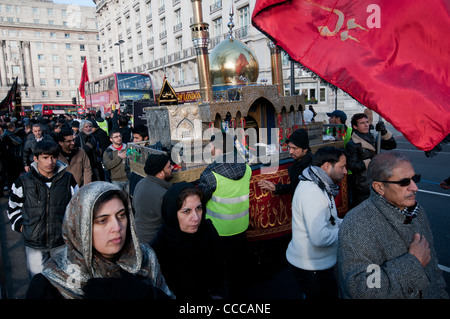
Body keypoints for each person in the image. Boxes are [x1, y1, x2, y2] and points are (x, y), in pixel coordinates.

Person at [25, 181, 174, 299]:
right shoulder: (52, 283)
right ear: (80, 227)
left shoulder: (144, 257)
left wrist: (145, 294)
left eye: (121, 215)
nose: (116, 227)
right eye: (102, 220)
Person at [337, 152, 448, 299]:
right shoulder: (357, 224)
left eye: (415, 179)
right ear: (379, 187)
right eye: (404, 182)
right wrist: (413, 264)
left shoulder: (417, 211)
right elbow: (360, 288)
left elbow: (433, 265)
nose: (415, 188)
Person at [7, 140, 78, 277]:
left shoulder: (68, 179)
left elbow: (77, 207)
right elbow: (12, 206)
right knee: (38, 282)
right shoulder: (24, 181)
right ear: (36, 158)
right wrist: (22, 227)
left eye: (53, 157)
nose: (50, 162)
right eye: (45, 157)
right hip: (34, 244)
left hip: (61, 242)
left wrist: (70, 229)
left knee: (62, 281)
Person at [286, 146, 347, 299]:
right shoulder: (312, 192)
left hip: (319, 263)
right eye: (342, 167)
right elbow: (320, 237)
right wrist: (348, 231)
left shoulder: (322, 184)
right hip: (311, 267)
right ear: (326, 166)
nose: (346, 172)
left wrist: (348, 222)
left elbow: (330, 220)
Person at [198, 132, 251, 298]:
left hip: (218, 231)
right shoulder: (247, 168)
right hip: (241, 226)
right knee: (238, 270)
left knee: (219, 271)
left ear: (217, 149)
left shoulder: (210, 175)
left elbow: (200, 200)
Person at [151, 182, 225, 299]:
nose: (196, 218)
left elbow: (221, 272)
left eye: (199, 208)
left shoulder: (208, 231)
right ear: (172, 213)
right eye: (186, 211)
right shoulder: (159, 248)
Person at [345, 113, 397, 207]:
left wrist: (384, 132)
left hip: (376, 181)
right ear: (355, 126)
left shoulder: (372, 138)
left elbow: (392, 145)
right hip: (362, 185)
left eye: (367, 122)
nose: (366, 125)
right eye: (362, 123)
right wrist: (372, 161)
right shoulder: (352, 144)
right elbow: (352, 165)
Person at [134, 153, 173, 246]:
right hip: (154, 243)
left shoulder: (141, 183)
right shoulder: (162, 194)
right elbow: (170, 223)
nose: (172, 168)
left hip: (139, 239)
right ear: (160, 173)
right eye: (169, 167)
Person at [258, 128, 312, 195]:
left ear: (305, 149)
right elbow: (294, 188)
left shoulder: (311, 168)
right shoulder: (298, 162)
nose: (290, 152)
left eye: (294, 148)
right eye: (289, 147)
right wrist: (275, 188)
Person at [126, 124, 149, 197]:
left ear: (145, 138)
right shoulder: (132, 149)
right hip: (134, 185)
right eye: (133, 138)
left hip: (146, 187)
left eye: (137, 138)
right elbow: (127, 166)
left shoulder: (151, 150)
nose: (134, 140)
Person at [2, 122, 24, 189]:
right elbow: (19, 141)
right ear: (12, 127)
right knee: (12, 173)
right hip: (12, 157)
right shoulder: (9, 135)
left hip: (11, 157)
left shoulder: (6, 134)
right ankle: (12, 186)